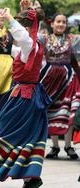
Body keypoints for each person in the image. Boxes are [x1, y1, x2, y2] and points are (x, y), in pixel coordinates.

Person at [0, 4, 51, 188]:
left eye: (24, 25)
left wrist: (10, 18)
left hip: (24, 96)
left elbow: (22, 36)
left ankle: (0, 161)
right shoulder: (34, 45)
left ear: (28, 27)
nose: (19, 30)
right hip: (30, 94)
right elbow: (19, 45)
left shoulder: (29, 44)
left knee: (8, 130)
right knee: (29, 135)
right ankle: (31, 177)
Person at [41, 13, 80, 160]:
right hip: (50, 78)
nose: (61, 24)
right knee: (51, 111)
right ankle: (55, 146)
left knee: (69, 110)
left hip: (68, 78)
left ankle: (68, 145)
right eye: (58, 21)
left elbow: (74, 60)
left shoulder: (72, 40)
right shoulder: (44, 38)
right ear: (52, 24)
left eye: (63, 22)